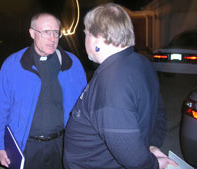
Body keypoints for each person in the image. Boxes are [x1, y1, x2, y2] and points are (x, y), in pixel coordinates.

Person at [63, 3, 178, 169]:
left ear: (99, 37)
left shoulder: (110, 84)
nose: (84, 40)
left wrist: (152, 163)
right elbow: (157, 111)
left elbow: (132, 158)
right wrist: (152, 145)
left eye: (86, 33)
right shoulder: (141, 62)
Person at [0, 13, 87, 169]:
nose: (52, 38)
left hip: (62, 145)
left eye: (56, 32)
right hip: (26, 146)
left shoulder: (72, 64)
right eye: (46, 32)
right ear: (32, 33)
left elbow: (84, 108)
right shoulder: (14, 65)